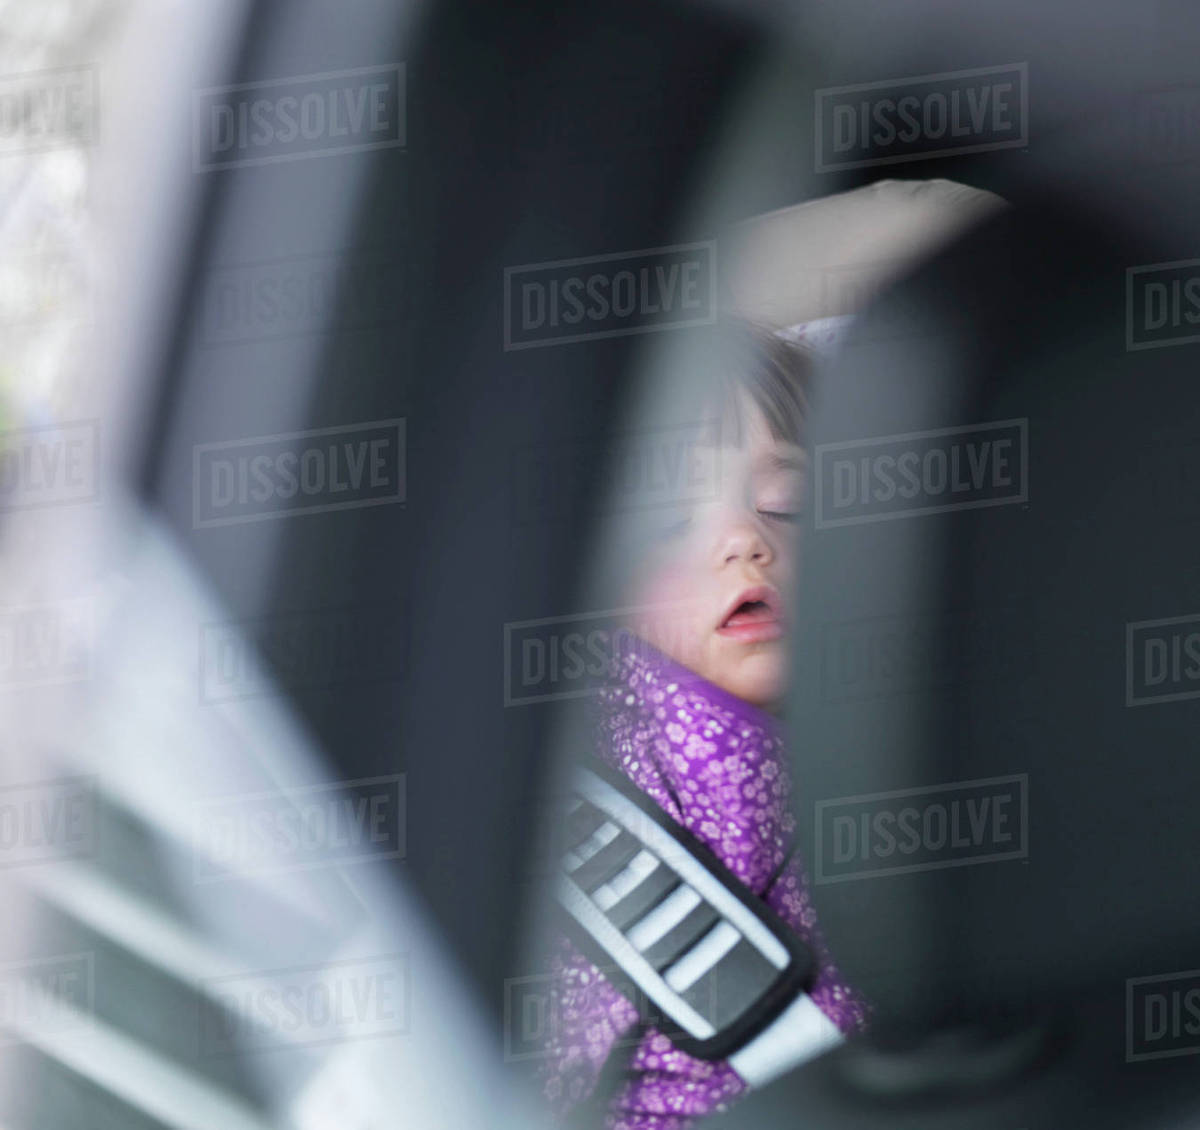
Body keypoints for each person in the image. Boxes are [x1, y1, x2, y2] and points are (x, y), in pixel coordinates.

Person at [538, 318, 869, 1130]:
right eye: (664, 525)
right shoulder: (579, 804)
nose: (741, 541)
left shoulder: (916, 732)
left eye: (787, 504)